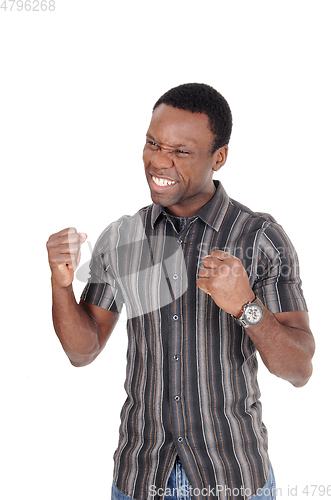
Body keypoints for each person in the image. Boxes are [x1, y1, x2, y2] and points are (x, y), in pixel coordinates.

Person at [46, 83, 315, 500]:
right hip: (139, 478)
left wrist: (246, 306)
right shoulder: (123, 238)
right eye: (153, 143)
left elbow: (299, 369)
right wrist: (61, 286)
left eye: (181, 151)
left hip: (231, 479)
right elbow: (83, 350)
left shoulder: (260, 238)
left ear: (219, 158)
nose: (159, 160)